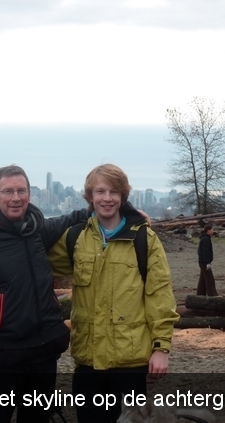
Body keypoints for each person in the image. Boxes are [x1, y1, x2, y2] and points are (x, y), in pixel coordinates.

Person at [0, 164, 90, 423]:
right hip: (1, 354)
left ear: (29, 194)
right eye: (8, 192)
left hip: (43, 353)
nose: (15, 198)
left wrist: (128, 213)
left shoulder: (37, 231)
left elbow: (74, 218)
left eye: (21, 191)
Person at [47, 163, 179, 423]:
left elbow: (160, 294)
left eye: (114, 192)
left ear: (123, 197)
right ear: (90, 197)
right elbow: (38, 266)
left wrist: (161, 348)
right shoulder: (75, 237)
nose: (107, 199)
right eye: (100, 192)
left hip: (129, 364)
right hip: (88, 361)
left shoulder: (144, 240)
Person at [197, 224, 218, 296]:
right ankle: (212, 295)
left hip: (202, 262)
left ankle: (200, 294)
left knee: (202, 280)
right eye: (212, 229)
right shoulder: (205, 239)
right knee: (209, 279)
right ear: (208, 230)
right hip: (204, 262)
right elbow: (205, 252)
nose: (213, 231)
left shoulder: (205, 238)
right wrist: (208, 262)